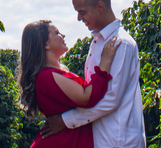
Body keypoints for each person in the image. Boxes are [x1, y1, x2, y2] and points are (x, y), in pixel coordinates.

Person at [40, 0, 146, 148]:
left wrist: (66, 120)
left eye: (82, 12)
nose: (78, 18)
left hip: (120, 141)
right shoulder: (97, 42)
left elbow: (111, 98)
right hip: (101, 139)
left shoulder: (121, 43)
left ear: (100, 7)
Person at [17, 20, 121, 148]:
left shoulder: (51, 74)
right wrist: (105, 62)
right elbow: (87, 97)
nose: (63, 35)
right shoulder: (47, 76)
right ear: (46, 44)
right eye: (57, 33)